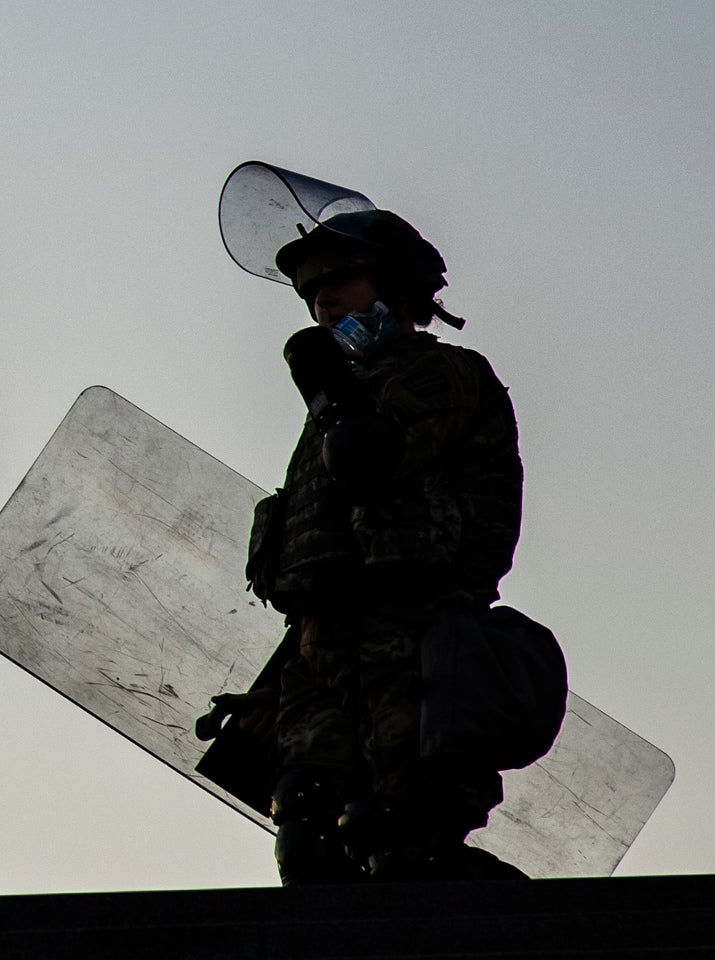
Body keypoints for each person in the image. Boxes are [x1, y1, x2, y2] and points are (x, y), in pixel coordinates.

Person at [217, 192, 532, 882]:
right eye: (311, 291)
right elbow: (325, 562)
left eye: (340, 281)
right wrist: (273, 688)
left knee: (400, 842)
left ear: (391, 284)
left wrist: (330, 389)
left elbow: (370, 462)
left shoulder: (442, 374)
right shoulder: (337, 403)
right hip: (319, 652)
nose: (323, 301)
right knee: (307, 834)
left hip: (413, 645)